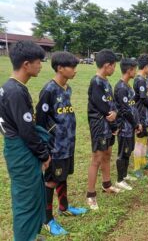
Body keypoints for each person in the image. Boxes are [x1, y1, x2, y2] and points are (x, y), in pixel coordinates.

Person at [0, 40, 51, 241]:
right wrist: (44, 154)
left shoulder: (11, 87)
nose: (41, 65)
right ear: (26, 64)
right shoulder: (15, 92)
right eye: (39, 61)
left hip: (18, 147)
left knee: (32, 194)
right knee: (26, 199)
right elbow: (27, 131)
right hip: (21, 150)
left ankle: (31, 234)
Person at [36, 51, 86, 236]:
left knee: (62, 177)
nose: (75, 71)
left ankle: (63, 207)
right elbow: (40, 122)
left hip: (68, 144)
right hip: (54, 147)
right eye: (72, 67)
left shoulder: (68, 89)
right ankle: (47, 219)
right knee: (50, 181)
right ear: (60, 68)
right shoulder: (49, 90)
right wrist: (45, 150)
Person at [86, 49, 120, 211]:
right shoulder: (96, 82)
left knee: (107, 154)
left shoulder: (106, 82)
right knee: (97, 159)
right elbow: (101, 105)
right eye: (114, 66)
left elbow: (111, 104)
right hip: (99, 125)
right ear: (107, 65)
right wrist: (110, 114)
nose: (114, 69)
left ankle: (107, 185)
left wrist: (115, 115)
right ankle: (90, 195)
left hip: (109, 126)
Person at [114, 58, 142, 191]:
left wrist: (137, 123)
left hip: (131, 126)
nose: (135, 71)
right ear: (129, 70)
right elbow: (124, 110)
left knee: (129, 150)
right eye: (134, 69)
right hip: (124, 127)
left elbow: (132, 106)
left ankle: (124, 175)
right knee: (123, 152)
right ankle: (119, 180)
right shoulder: (120, 87)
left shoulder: (127, 85)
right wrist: (136, 124)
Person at [133, 54, 148, 178]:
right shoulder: (140, 80)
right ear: (146, 66)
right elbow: (143, 98)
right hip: (140, 114)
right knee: (139, 142)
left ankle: (143, 162)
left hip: (144, 114)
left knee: (143, 140)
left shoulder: (142, 78)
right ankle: (137, 168)